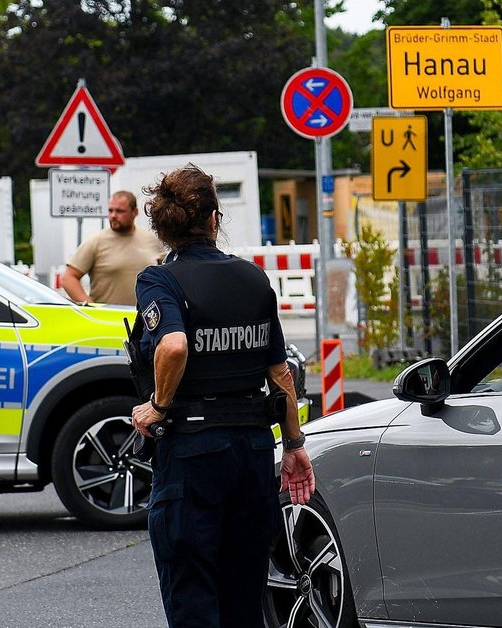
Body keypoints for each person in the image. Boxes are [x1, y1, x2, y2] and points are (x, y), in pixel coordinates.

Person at [129, 164, 315, 628]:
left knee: (193, 594)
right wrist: (294, 444)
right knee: (245, 598)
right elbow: (280, 372)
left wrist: (158, 405)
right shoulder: (252, 279)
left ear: (163, 228)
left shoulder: (159, 281)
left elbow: (173, 345)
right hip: (251, 451)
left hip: (192, 454)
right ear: (214, 219)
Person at [62, 190, 164, 306]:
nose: (113, 216)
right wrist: (91, 307)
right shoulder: (96, 241)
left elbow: (167, 276)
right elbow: (69, 278)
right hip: (109, 316)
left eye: (120, 211)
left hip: (146, 316)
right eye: (110, 211)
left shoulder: (151, 240)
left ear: (135, 212)